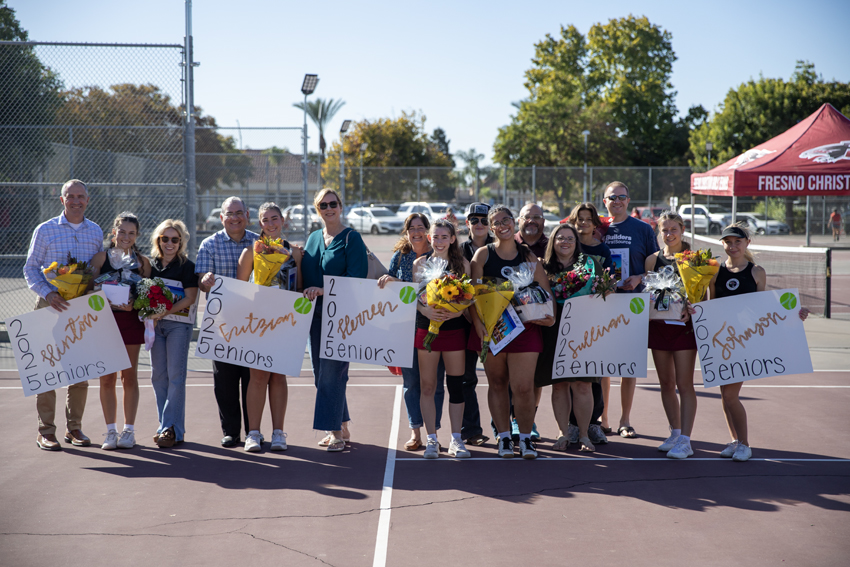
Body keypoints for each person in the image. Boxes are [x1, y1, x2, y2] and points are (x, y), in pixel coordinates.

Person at [708, 223, 809, 462]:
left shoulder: (756, 272)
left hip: (745, 341)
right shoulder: (714, 272)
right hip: (722, 342)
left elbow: (767, 307)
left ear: (747, 244)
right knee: (725, 395)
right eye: (728, 242)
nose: (732, 246)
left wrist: (795, 311)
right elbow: (708, 304)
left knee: (731, 396)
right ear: (722, 244)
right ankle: (734, 440)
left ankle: (745, 443)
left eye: (737, 242)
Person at [469, 205, 556, 459]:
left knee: (523, 387)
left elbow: (546, 292)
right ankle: (504, 438)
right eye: (496, 222)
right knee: (497, 383)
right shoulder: (482, 256)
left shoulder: (528, 257)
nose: (503, 224)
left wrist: (548, 318)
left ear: (513, 222)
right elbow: (473, 297)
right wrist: (478, 325)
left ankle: (526, 439)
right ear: (491, 228)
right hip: (493, 330)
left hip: (525, 331)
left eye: (506, 219)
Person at [24, 179, 103, 451]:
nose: (76, 201)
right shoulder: (45, 230)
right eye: (70, 196)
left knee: (79, 372)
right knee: (46, 371)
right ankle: (46, 431)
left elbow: (96, 271)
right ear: (62, 200)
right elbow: (31, 268)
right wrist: (49, 294)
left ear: (88, 200)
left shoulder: (95, 231)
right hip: (50, 305)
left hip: (80, 309)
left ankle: (75, 428)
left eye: (81, 196)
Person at [302, 189, 368, 452]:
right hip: (314, 317)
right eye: (322, 205)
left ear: (341, 206)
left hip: (342, 318)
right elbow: (301, 275)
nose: (328, 208)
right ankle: (342, 422)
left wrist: (323, 291)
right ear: (317, 209)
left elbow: (356, 280)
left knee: (332, 373)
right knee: (322, 375)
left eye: (333, 203)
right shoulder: (313, 239)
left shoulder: (352, 238)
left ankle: (335, 433)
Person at [236, 202, 303, 453]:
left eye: (275, 218)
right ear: (259, 224)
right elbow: (239, 292)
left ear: (283, 221)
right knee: (258, 376)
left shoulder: (294, 253)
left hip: (284, 322)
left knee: (278, 376)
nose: (271, 224)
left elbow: (298, 290)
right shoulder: (249, 253)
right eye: (266, 220)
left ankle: (278, 433)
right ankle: (253, 433)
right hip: (258, 323)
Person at [378, 213, 445, 451]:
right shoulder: (401, 256)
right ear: (406, 233)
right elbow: (392, 286)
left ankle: (432, 433)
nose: (416, 232)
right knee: (411, 382)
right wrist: (389, 279)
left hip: (434, 327)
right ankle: (415, 431)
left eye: (420, 227)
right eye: (411, 228)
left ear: (427, 231)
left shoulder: (438, 255)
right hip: (404, 327)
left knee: (435, 383)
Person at [196, 196, 259, 447]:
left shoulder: (259, 242)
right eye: (229, 213)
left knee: (251, 378)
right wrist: (207, 280)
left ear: (247, 215)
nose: (234, 217)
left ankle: (253, 431)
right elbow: (202, 284)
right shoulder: (209, 244)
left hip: (255, 322)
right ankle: (231, 431)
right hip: (221, 323)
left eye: (239, 212)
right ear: (221, 217)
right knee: (224, 380)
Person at [601, 182, 658, 439]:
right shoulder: (598, 229)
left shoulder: (644, 230)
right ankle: (602, 420)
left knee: (628, 366)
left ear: (629, 200)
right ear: (605, 201)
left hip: (633, 306)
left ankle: (625, 420)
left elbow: (658, 268)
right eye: (612, 197)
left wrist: (637, 277)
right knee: (601, 365)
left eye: (622, 197)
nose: (617, 201)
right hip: (602, 305)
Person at [89, 212, 151, 450]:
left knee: (129, 376)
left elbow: (148, 295)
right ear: (113, 233)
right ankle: (110, 432)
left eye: (131, 233)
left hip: (130, 322)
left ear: (137, 236)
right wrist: (104, 299)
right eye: (122, 232)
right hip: (104, 321)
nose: (126, 237)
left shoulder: (143, 262)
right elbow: (86, 292)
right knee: (106, 378)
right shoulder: (99, 258)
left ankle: (129, 431)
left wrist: (133, 304)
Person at [413, 220, 472, 459]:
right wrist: (425, 311)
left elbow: (468, 299)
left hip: (454, 329)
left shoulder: (463, 265)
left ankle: (456, 439)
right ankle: (431, 440)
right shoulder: (419, 264)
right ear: (429, 238)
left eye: (443, 237)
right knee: (427, 386)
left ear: (452, 239)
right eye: (435, 237)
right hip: (426, 329)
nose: (439, 242)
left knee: (456, 386)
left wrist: (456, 311)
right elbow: (413, 296)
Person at [536, 223, 597, 452]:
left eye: (570, 238)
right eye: (560, 238)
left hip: (584, 330)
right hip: (552, 327)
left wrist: (607, 292)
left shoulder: (591, 264)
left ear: (576, 241)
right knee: (559, 385)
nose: (565, 242)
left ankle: (583, 436)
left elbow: (604, 293)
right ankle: (562, 433)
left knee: (582, 385)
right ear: (553, 241)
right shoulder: (542, 267)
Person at [644, 211, 698, 459]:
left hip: (683, 329)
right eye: (664, 230)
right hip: (658, 327)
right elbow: (648, 295)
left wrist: (691, 308)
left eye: (673, 229)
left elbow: (702, 297)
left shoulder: (694, 259)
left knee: (684, 384)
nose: (669, 234)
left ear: (682, 230)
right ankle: (675, 432)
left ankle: (686, 440)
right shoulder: (651, 260)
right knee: (665, 383)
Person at [148, 219, 198, 448]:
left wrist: (162, 311)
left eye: (174, 239)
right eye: (164, 238)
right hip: (155, 327)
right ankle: (172, 430)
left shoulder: (188, 267)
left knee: (176, 377)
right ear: (158, 240)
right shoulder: (148, 266)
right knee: (158, 377)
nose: (169, 243)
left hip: (178, 326)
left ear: (181, 242)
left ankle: (166, 428)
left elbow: (190, 298)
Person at [567, 202, 614, 444]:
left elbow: (608, 283)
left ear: (595, 223)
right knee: (568, 376)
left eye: (588, 219)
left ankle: (593, 423)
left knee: (592, 375)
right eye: (579, 219)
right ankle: (572, 425)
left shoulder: (602, 251)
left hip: (594, 321)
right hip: (567, 320)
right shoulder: (566, 246)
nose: (583, 223)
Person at [513, 202, 550, 440]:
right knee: (507, 377)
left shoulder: (552, 245)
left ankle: (529, 420)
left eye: (537, 217)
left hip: (541, 320)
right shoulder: (508, 242)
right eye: (527, 216)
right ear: (519, 220)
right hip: (510, 320)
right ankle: (510, 423)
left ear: (543, 221)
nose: (532, 221)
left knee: (535, 377)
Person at [458, 202, 494, 446]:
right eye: (474, 220)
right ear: (467, 223)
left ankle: (508, 429)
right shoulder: (457, 250)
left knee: (503, 378)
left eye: (484, 219)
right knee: (466, 378)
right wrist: (471, 317)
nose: (479, 224)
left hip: (498, 323)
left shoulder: (501, 247)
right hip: (464, 321)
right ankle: (471, 430)